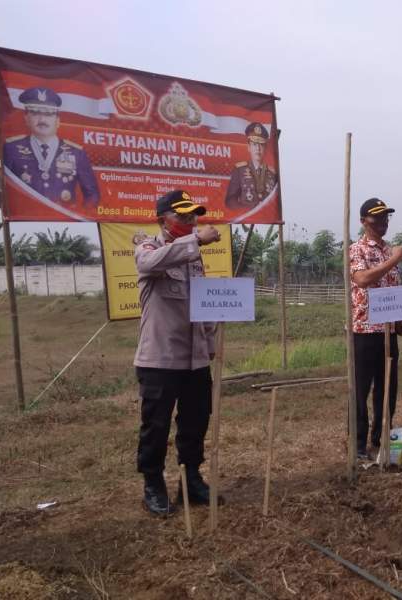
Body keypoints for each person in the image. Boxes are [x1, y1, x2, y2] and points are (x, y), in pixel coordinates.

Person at [133, 190, 222, 516]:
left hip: (195, 358)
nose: (190, 221)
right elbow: (149, 263)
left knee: (195, 422)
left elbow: (205, 303)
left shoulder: (194, 258)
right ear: (162, 220)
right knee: (156, 426)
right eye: (182, 216)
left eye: (193, 216)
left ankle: (191, 479)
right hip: (160, 358)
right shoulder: (148, 248)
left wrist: (210, 345)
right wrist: (195, 240)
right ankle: (153, 484)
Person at [349, 198, 402, 460]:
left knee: (388, 388)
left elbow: (392, 289)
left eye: (386, 218)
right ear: (364, 221)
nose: (383, 223)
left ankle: (381, 436)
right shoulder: (357, 250)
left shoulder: (389, 250)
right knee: (361, 389)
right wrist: (394, 259)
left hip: (388, 331)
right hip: (365, 330)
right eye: (377, 218)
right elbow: (362, 279)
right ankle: (359, 443)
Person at [3, 87, 99, 207]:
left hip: (64, 220)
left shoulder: (76, 153)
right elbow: (5, 189)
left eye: (48, 114)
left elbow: (92, 195)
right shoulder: (11, 149)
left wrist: (78, 219)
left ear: (57, 120)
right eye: (35, 113)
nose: (42, 119)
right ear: (26, 118)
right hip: (25, 221)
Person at [225, 122, 278, 209]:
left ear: (265, 148)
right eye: (254, 144)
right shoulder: (240, 170)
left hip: (267, 218)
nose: (258, 148)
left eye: (261, 145)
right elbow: (230, 200)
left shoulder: (272, 173)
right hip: (247, 218)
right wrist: (247, 211)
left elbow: (275, 200)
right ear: (249, 147)